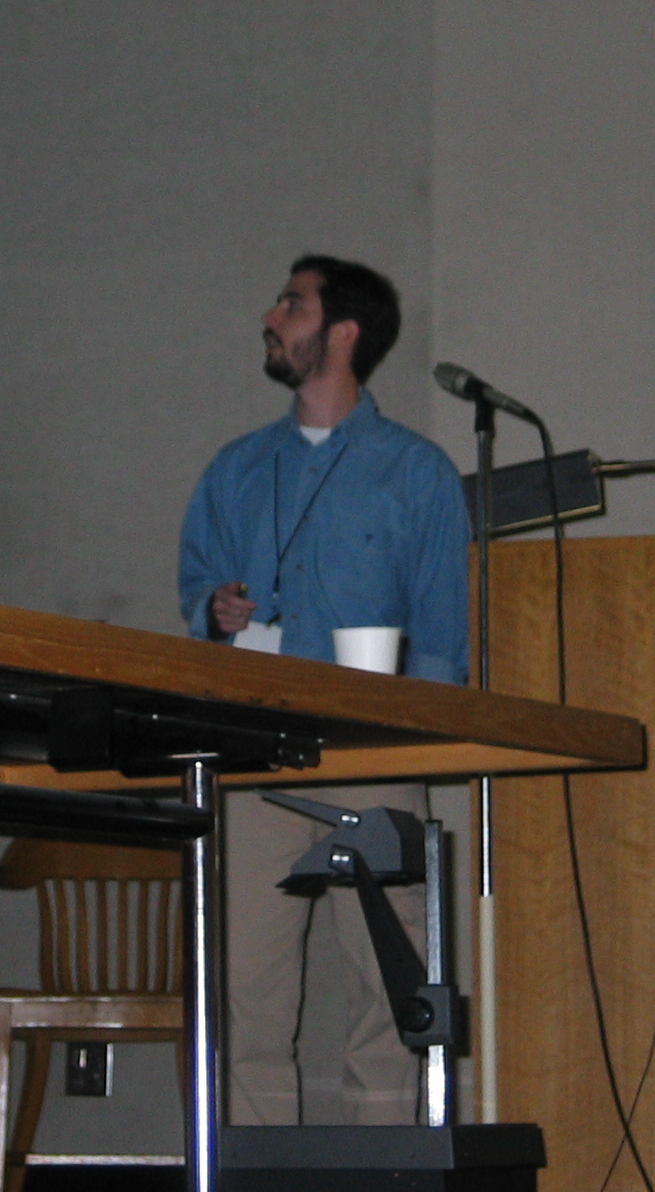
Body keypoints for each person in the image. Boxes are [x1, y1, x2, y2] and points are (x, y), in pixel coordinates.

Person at [178, 254, 470, 1124]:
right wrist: (213, 609)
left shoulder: (417, 472)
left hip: (372, 757)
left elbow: (444, 632)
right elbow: (196, 584)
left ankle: (384, 1179)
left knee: (390, 983)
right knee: (246, 988)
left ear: (343, 332)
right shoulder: (235, 468)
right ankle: (260, 1184)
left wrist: (412, 747)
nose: (271, 318)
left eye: (292, 304)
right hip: (252, 757)